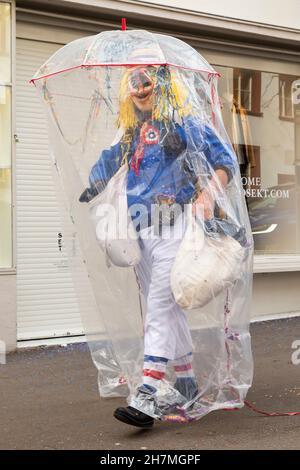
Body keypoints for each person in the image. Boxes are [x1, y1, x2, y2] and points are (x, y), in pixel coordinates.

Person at [79, 65, 236, 428]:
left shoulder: (184, 123)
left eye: (147, 82)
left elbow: (223, 161)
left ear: (162, 86)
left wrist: (209, 195)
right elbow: (111, 159)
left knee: (161, 307)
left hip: (174, 226)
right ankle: (185, 383)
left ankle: (148, 391)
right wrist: (92, 184)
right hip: (141, 233)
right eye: (133, 84)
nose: (140, 89)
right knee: (164, 307)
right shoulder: (132, 130)